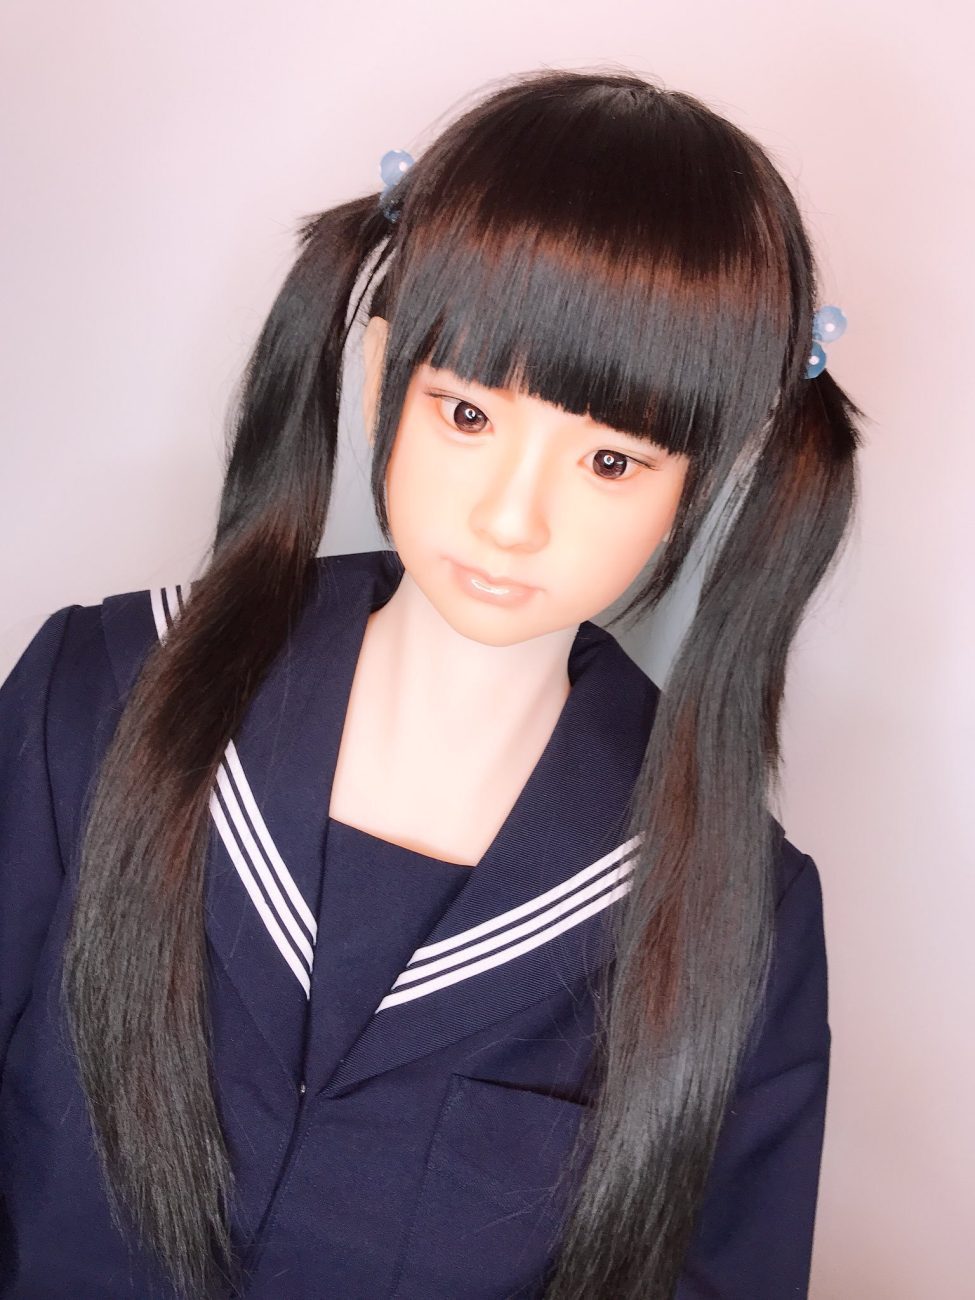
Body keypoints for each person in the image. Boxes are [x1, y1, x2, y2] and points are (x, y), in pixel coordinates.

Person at [0, 67, 863, 1299]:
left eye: (611, 461)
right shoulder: (95, 697)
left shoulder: (735, 916)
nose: (512, 518)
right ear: (380, 372)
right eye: (466, 415)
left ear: (708, 480)